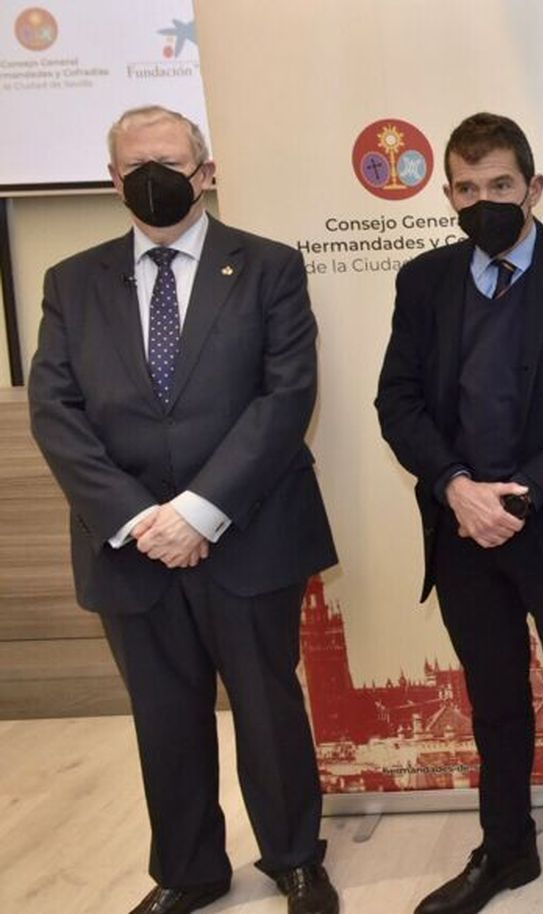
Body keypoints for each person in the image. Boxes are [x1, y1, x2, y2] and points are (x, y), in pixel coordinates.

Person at [28, 106, 340, 914]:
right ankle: (190, 869)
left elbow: (285, 396)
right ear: (113, 180)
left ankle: (295, 857)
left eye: (171, 161)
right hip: (128, 544)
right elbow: (55, 411)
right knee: (164, 716)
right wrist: (139, 519)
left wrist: (200, 511)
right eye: (136, 167)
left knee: (267, 707)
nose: (154, 178)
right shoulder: (71, 281)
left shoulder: (269, 266)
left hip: (249, 529)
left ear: (206, 171)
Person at [374, 113, 543, 914]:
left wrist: (524, 492)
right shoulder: (424, 281)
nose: (484, 201)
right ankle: (506, 851)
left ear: (534, 187)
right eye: (467, 188)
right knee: (493, 701)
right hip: (463, 532)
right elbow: (396, 401)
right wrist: (456, 486)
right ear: (448, 194)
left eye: (500, 185)